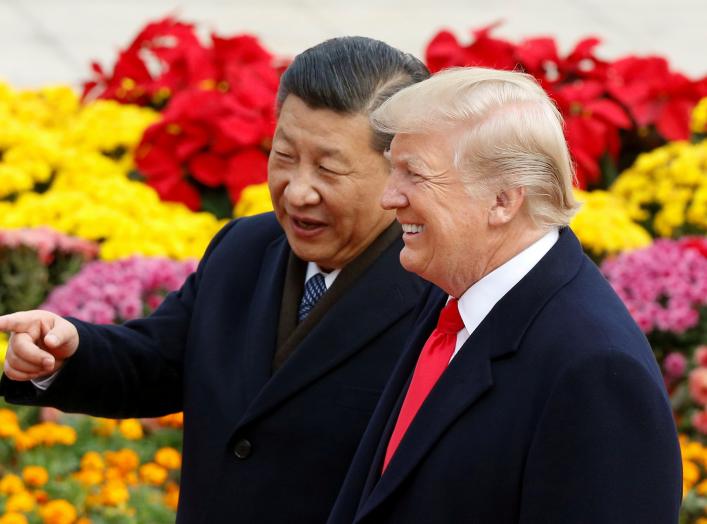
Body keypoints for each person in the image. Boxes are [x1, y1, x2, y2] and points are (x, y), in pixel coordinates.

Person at [0, 37, 430, 523]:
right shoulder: (244, 249)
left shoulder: (437, 292)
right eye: (284, 156)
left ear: (401, 170)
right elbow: (159, 361)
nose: (298, 190)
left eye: (328, 169)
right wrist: (66, 351)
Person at [327, 67, 682, 524]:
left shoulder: (597, 372)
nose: (389, 197)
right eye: (393, 169)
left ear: (503, 200)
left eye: (413, 174)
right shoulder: (456, 290)